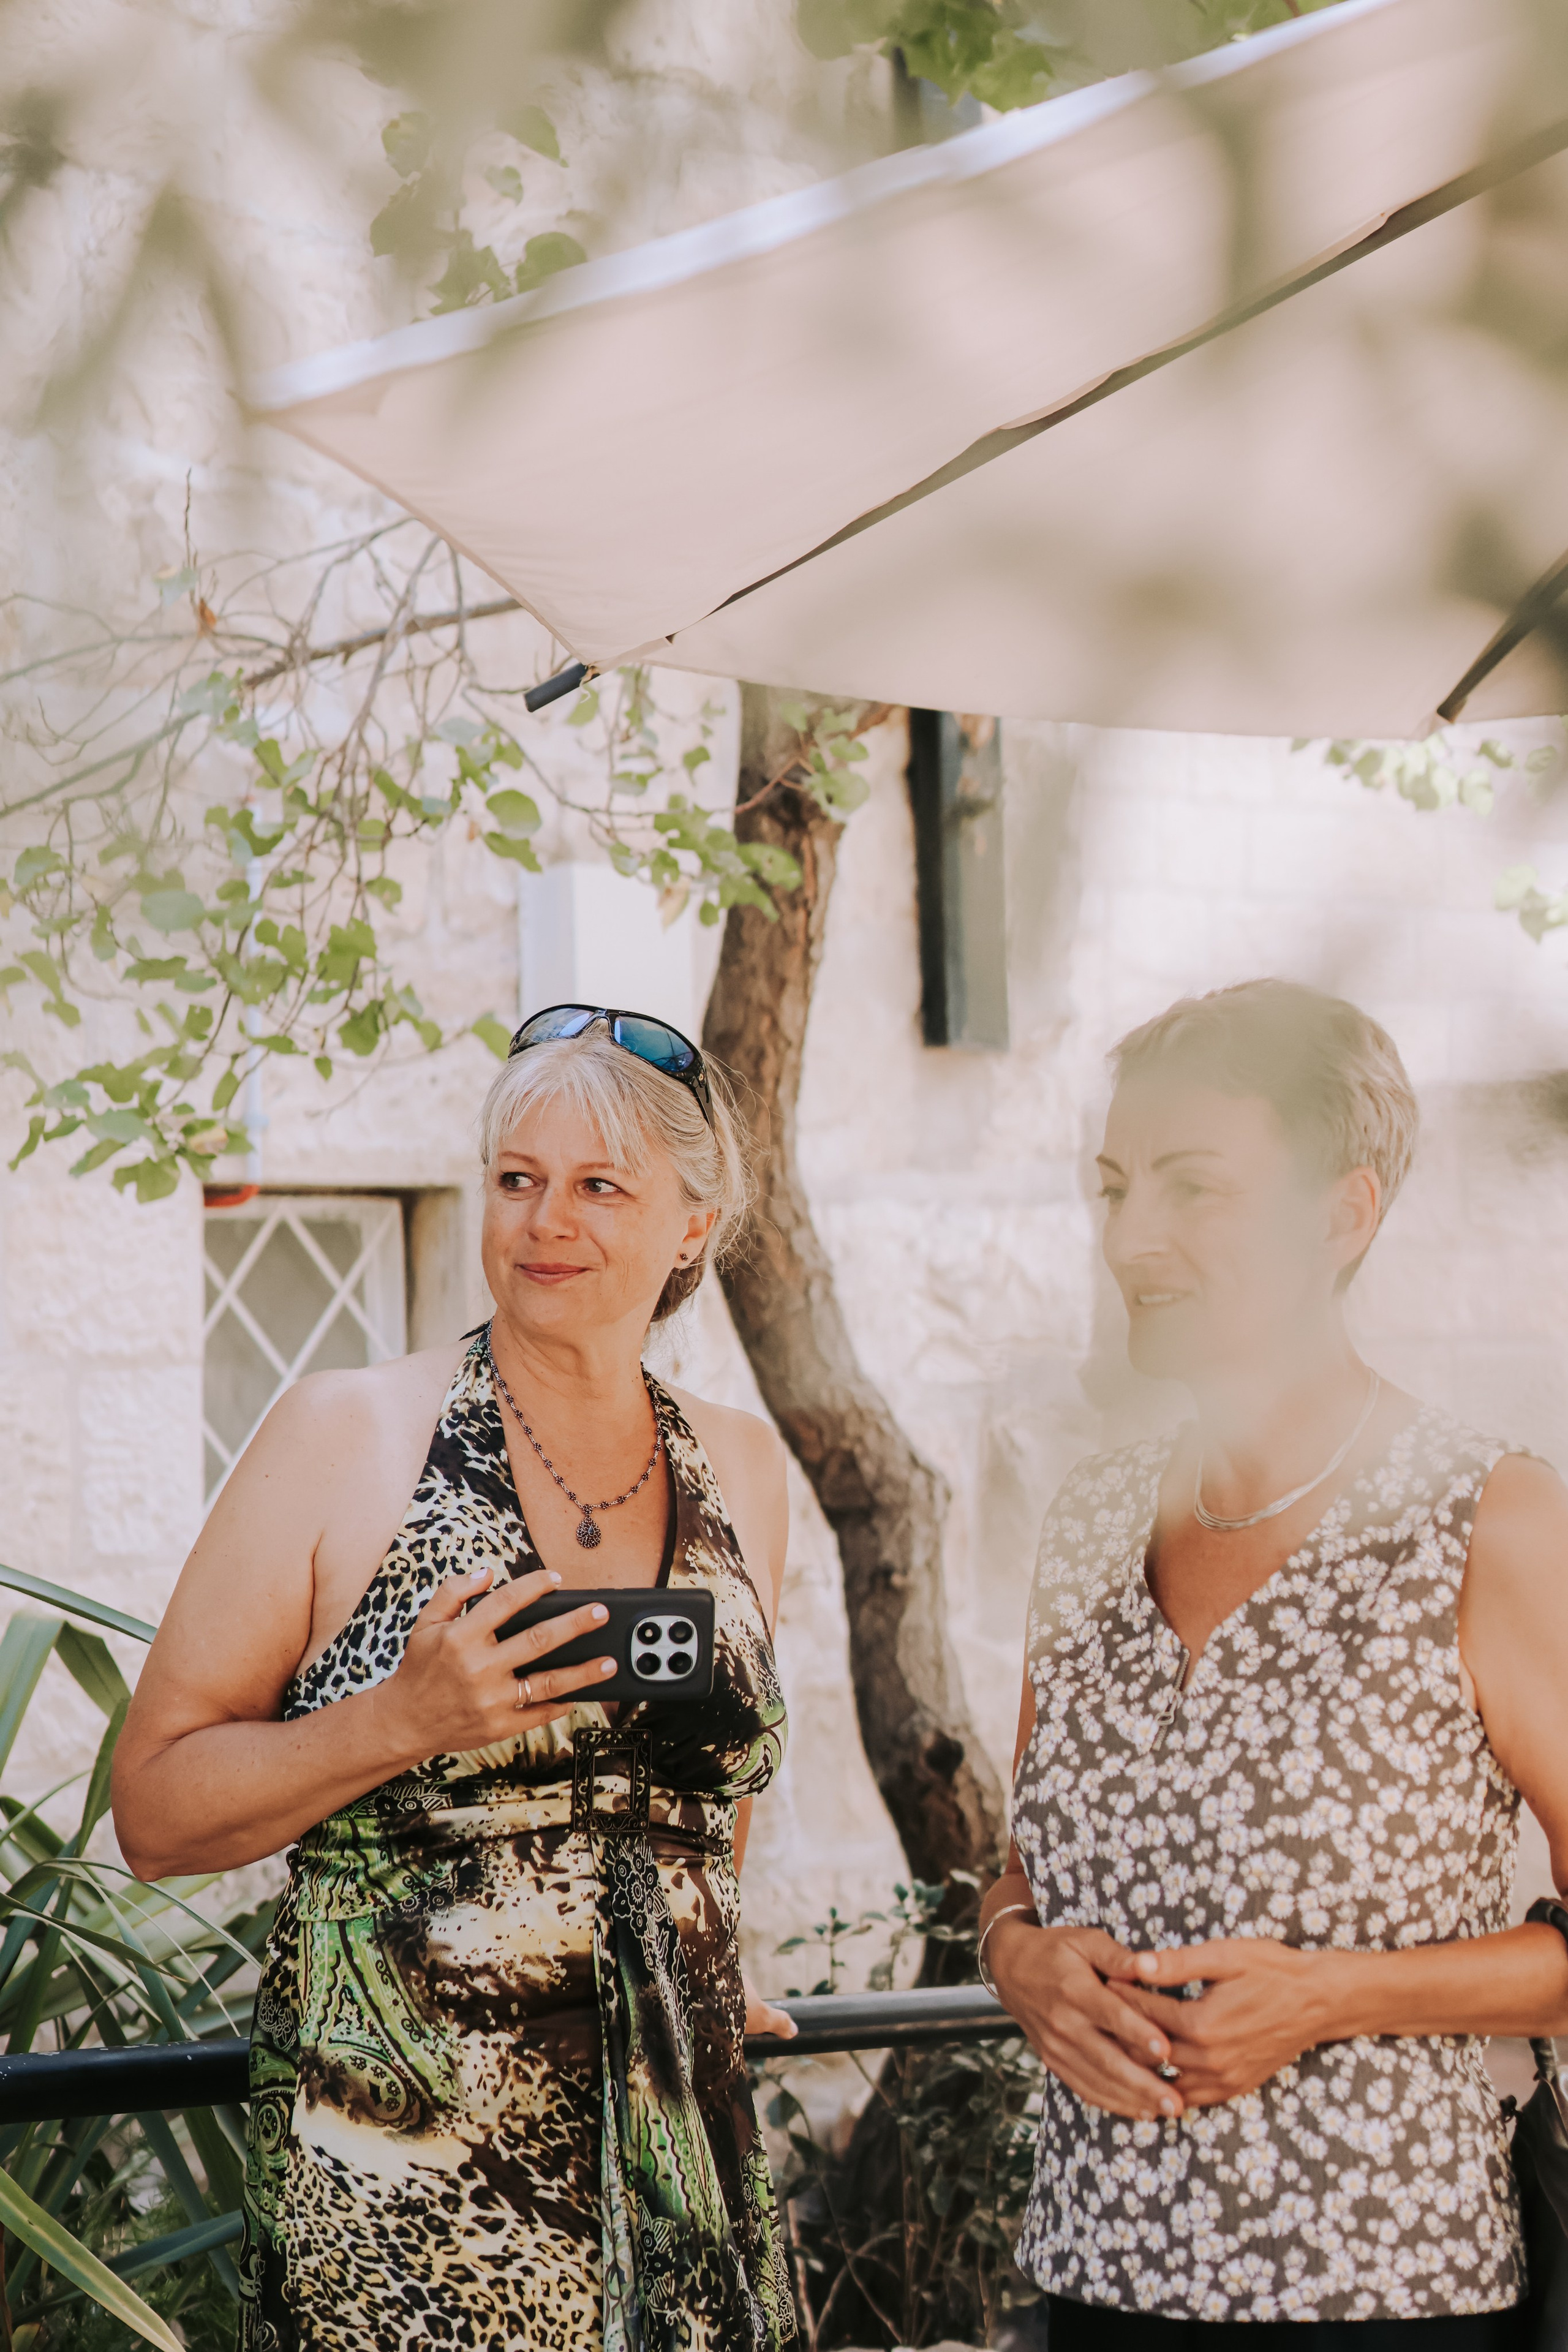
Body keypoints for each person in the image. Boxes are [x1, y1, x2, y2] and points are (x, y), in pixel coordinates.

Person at [113, 1004, 799, 2352]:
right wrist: (396, 1722)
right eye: (516, 1180)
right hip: (406, 2206)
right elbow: (156, 1812)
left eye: (600, 1185)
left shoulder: (742, 1463)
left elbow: (718, 1773)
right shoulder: (344, 1432)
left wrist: (708, 1944)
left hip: (680, 2175)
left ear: (690, 1226)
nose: (546, 1220)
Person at [978, 979, 1568, 2346]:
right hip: (1096, 2286)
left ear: (1341, 1214)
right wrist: (1015, 1958)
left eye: (1192, 1189)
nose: (1129, 1237)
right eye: (1113, 1186)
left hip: (1383, 2298)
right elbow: (1022, 1863)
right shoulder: (1086, 1520)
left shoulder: (1487, 1517)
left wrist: (1331, 1995)